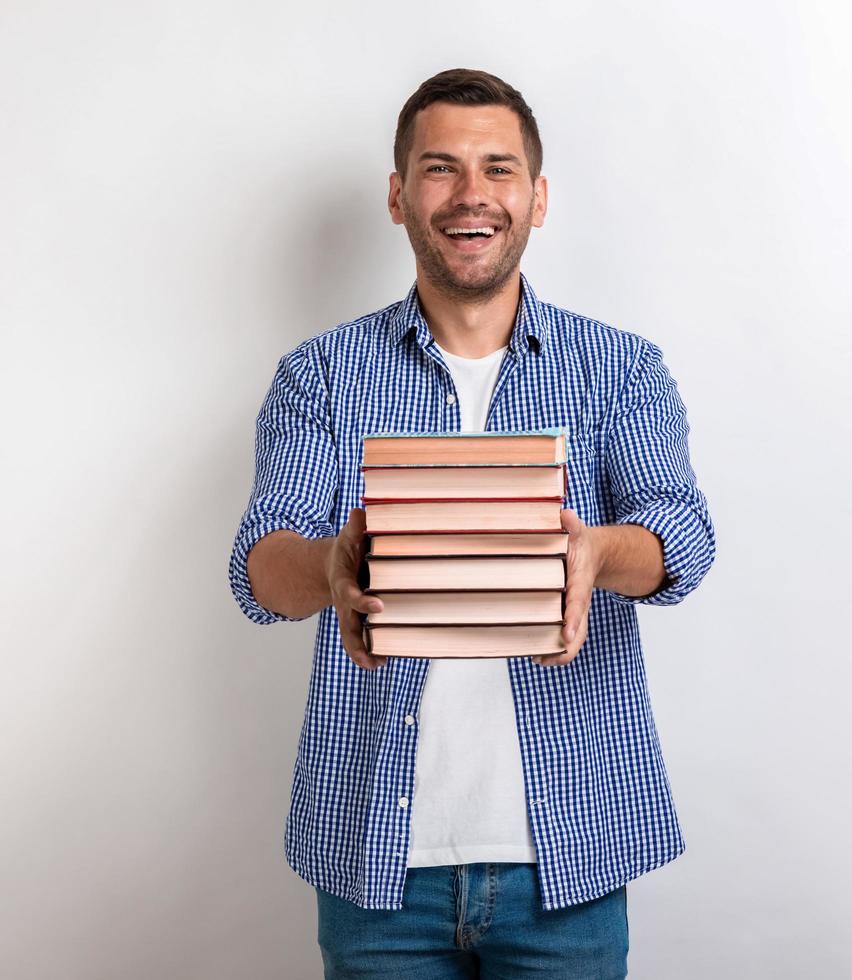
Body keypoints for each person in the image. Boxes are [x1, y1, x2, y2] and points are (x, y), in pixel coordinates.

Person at [228, 67, 716, 979]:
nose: (470, 194)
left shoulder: (618, 369)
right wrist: (333, 566)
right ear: (397, 194)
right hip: (376, 858)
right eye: (439, 167)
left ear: (536, 198)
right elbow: (259, 570)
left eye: (497, 168)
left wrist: (600, 550)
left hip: (567, 852)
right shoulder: (320, 376)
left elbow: (682, 535)